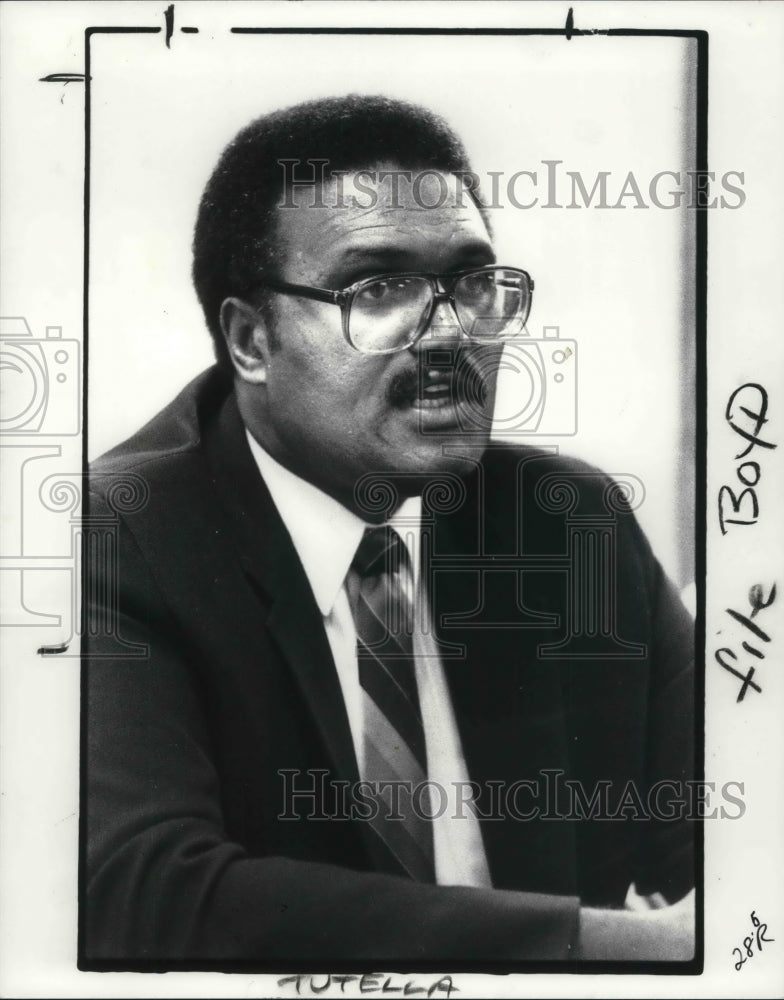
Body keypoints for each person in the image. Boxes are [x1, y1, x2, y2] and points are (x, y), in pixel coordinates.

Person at [82, 94, 695, 966]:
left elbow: (724, 840)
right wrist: (609, 945)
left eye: (474, 285)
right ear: (251, 340)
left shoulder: (570, 523)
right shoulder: (119, 537)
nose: (448, 333)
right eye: (379, 290)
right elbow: (144, 891)